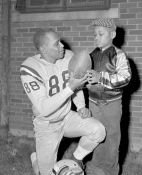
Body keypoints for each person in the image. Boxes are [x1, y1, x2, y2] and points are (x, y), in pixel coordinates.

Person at [20, 28, 106, 175]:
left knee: (98, 131)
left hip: (66, 117)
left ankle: (75, 160)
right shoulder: (30, 68)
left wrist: (80, 106)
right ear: (44, 50)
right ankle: (35, 157)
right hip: (47, 124)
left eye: (60, 41)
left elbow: (76, 84)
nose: (62, 46)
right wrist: (70, 87)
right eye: (56, 44)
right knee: (45, 173)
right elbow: (44, 108)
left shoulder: (68, 57)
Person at [85, 18, 132, 175]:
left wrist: (101, 78)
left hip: (111, 103)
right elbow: (88, 77)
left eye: (100, 34)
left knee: (111, 137)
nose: (96, 37)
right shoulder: (91, 55)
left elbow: (125, 78)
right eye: (94, 35)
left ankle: (110, 169)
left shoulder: (119, 55)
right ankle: (96, 165)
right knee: (97, 134)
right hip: (93, 103)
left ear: (112, 34)